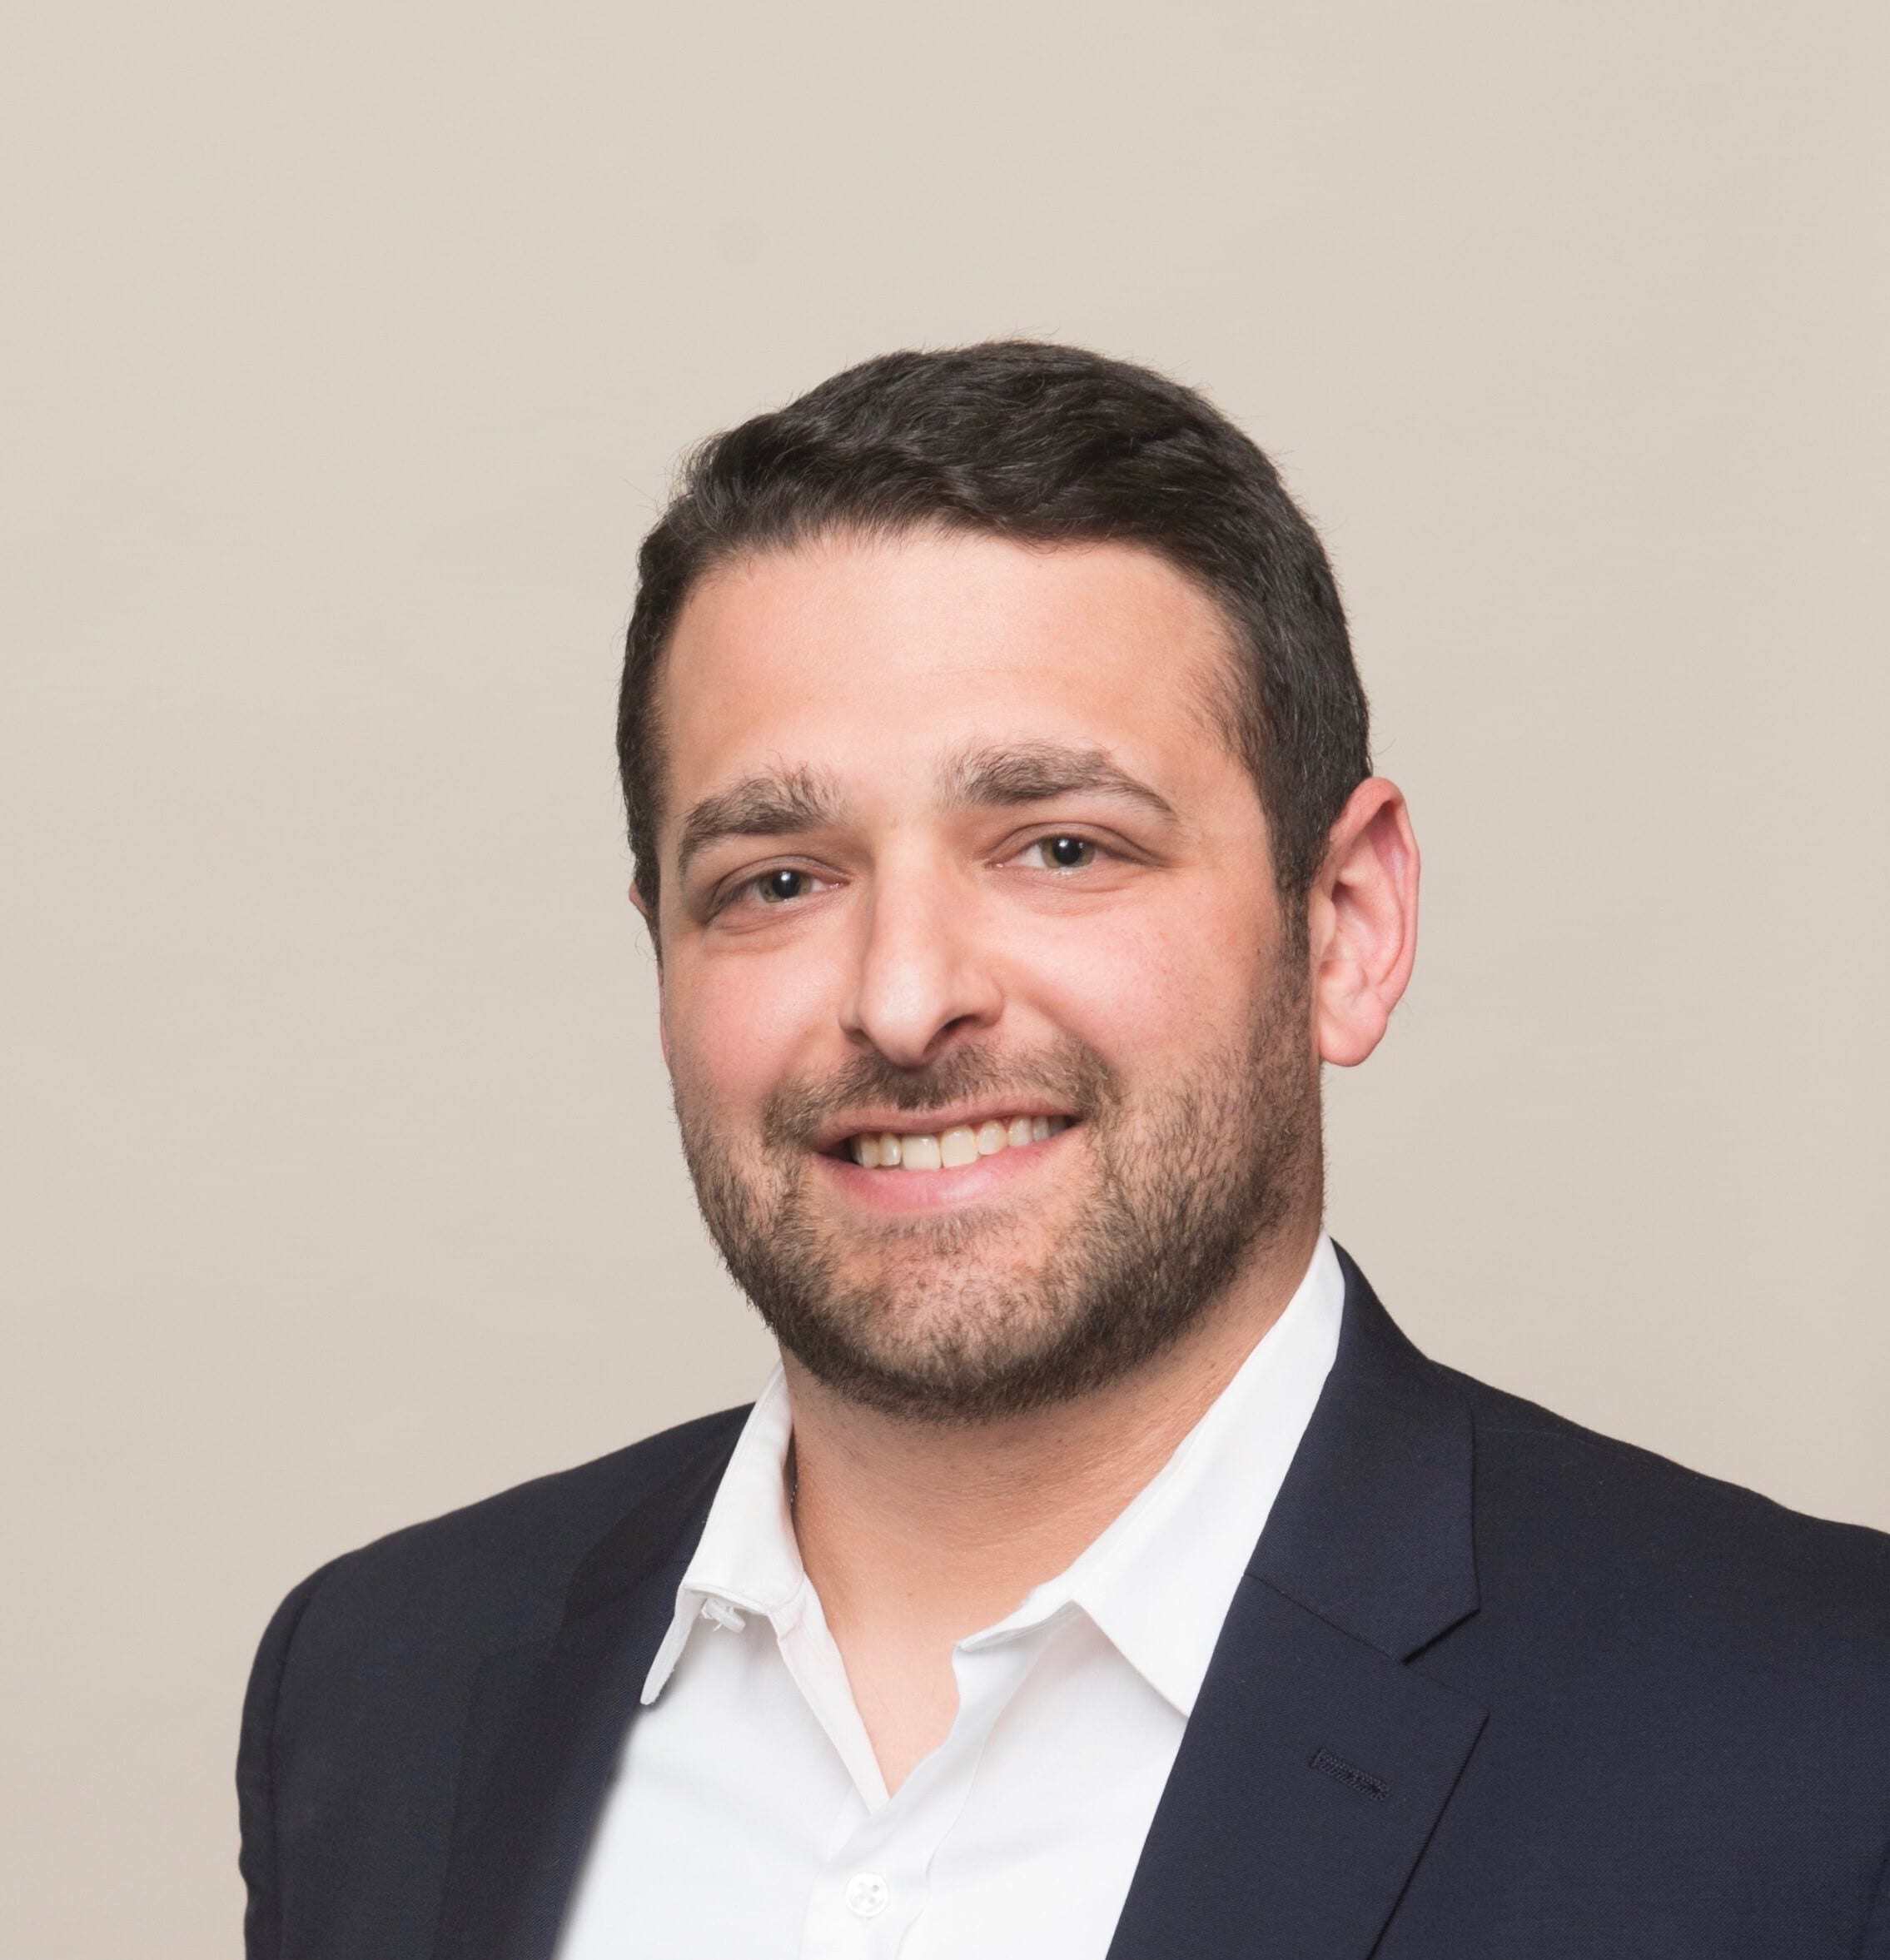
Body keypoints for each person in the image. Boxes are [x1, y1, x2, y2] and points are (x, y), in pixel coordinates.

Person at [236, 341, 1890, 1959]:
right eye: (779, 880)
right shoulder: (385, 1683)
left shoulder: (1821, 1739)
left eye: (1059, 844)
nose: (902, 999)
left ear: (1346, 925)